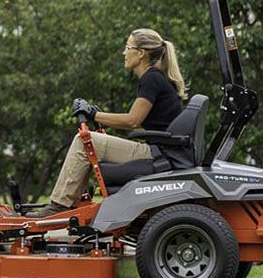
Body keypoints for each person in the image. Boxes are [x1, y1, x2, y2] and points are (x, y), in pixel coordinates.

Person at [26, 28, 188, 218]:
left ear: (141, 53)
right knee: (90, 142)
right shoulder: (157, 77)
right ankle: (71, 201)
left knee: (83, 140)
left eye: (128, 47)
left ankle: (61, 204)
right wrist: (97, 114)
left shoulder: (151, 79)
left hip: (156, 153)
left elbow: (132, 120)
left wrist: (93, 114)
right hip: (161, 150)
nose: (124, 53)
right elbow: (136, 121)